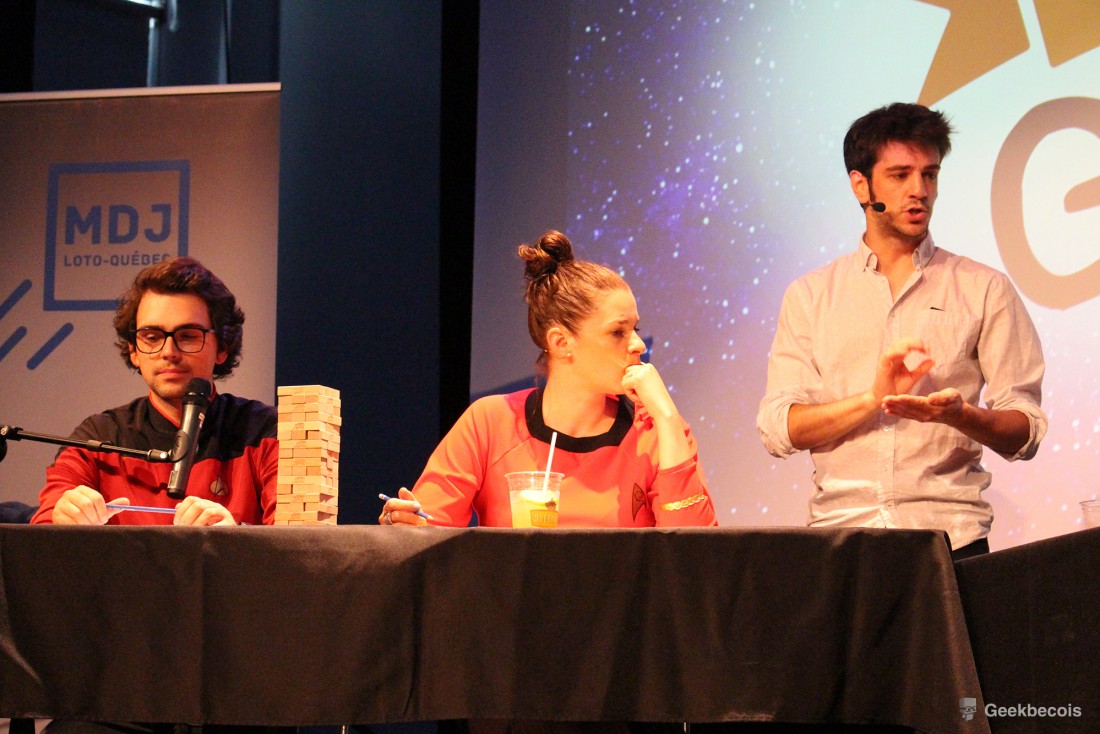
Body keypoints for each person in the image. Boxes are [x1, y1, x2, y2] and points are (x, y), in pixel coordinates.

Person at [756, 102, 1048, 560]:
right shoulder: (810, 295)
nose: (920, 191)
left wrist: (960, 415)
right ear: (861, 185)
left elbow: (1025, 428)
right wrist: (872, 399)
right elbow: (780, 428)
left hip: (951, 540)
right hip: (842, 542)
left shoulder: (984, 288)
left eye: (930, 175)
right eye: (900, 175)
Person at [381, 230, 716, 529]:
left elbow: (695, 559)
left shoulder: (658, 432)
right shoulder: (491, 423)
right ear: (561, 343)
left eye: (635, 329)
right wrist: (405, 526)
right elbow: (425, 535)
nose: (638, 344)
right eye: (618, 332)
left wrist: (668, 418)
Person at [30, 256, 278, 527]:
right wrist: (62, 521)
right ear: (134, 351)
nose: (168, 352)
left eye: (188, 336)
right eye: (152, 337)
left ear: (222, 347)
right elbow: (42, 533)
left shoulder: (265, 432)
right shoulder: (97, 438)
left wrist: (236, 541)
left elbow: (297, 542)